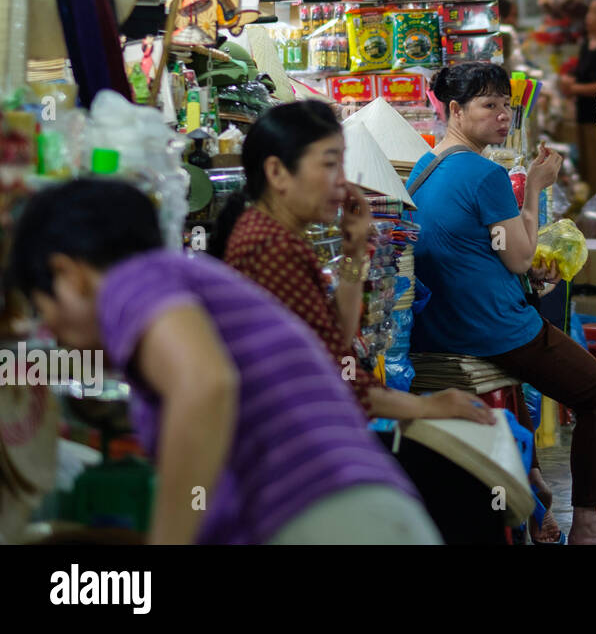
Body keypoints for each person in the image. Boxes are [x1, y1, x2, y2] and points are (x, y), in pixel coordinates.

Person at [9, 179, 438, 545]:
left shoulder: (130, 280)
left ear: (70, 275)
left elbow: (206, 385)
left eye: (42, 309)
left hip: (324, 520)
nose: (53, 333)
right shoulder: (181, 281)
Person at [209, 101, 513, 545]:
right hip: (292, 449)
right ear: (277, 173)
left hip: (308, 429)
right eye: (330, 166)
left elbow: (338, 336)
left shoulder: (274, 235)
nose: (342, 184)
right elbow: (333, 375)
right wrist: (425, 407)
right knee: (468, 483)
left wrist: (353, 254)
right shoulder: (269, 248)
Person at [410, 63, 596, 545]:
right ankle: (590, 524)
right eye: (489, 106)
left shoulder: (423, 166)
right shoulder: (486, 173)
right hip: (487, 328)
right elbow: (518, 258)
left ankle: (532, 494)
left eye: (506, 106)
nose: (502, 117)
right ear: (454, 110)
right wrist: (535, 187)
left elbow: (480, 247)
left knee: (529, 381)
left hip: (436, 326)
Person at [558, 0, 596, 192]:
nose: (588, 17)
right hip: (583, 114)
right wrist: (568, 79)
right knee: (585, 170)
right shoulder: (587, 43)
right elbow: (581, 74)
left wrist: (573, 88)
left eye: (594, 13)